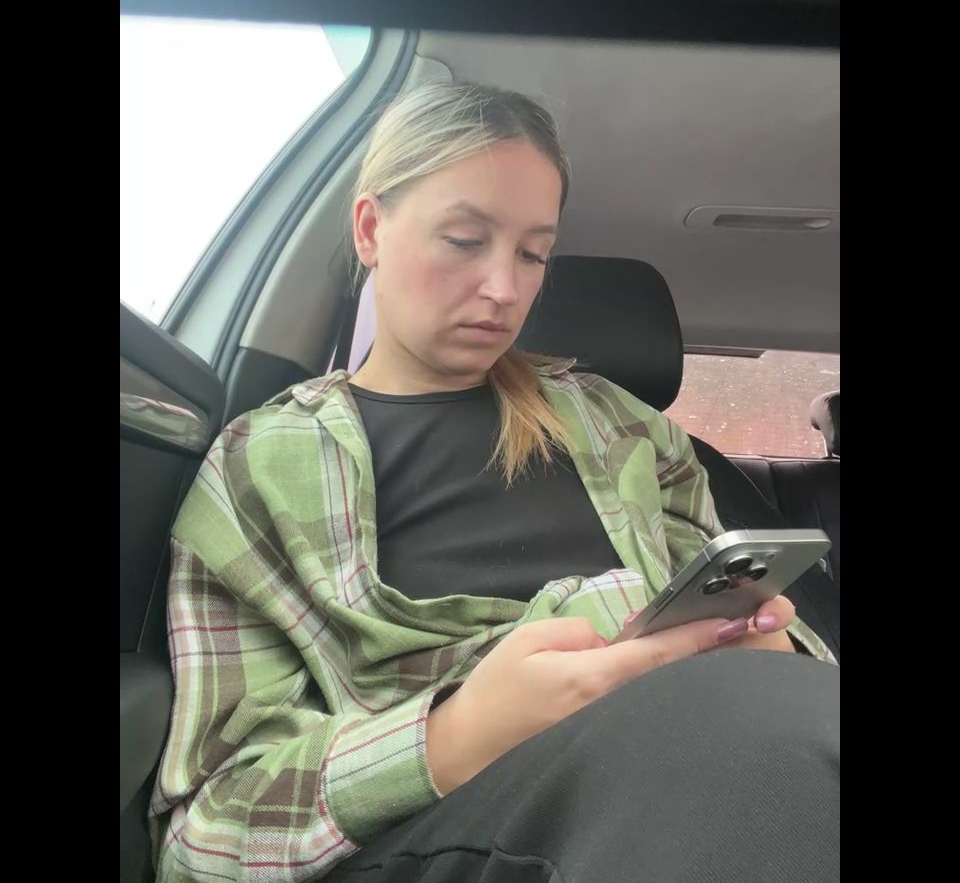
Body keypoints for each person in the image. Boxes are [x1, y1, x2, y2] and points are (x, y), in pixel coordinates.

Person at [151, 82, 839, 883]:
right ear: (371, 230)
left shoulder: (623, 426)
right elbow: (207, 836)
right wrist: (456, 737)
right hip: (451, 828)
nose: (505, 290)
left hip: (710, 765)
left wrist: (776, 645)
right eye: (463, 239)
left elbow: (759, 639)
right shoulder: (261, 465)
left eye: (533, 254)